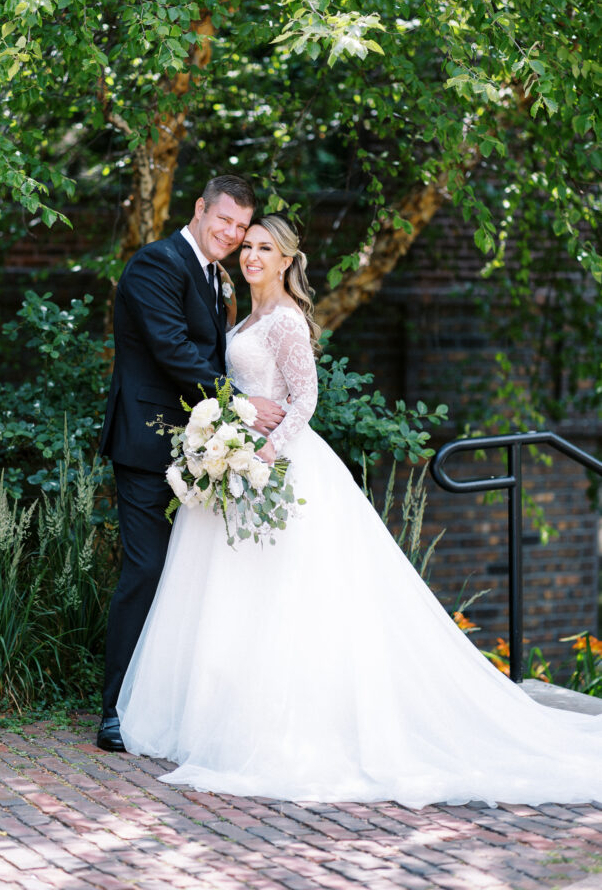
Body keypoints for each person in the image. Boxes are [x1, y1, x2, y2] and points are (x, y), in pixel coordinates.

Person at [115, 215, 602, 806]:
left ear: (288, 260)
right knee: (231, 597)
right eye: (247, 246)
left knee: (282, 597)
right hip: (238, 464)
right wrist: (233, 442)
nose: (251, 256)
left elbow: (306, 398)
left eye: (265, 248)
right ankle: (216, 715)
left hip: (278, 465)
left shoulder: (287, 321)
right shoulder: (239, 314)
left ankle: (287, 722)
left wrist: (264, 450)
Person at [97, 176, 285, 752]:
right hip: (148, 446)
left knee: (195, 577)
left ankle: (175, 702)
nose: (231, 234)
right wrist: (242, 403)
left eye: (240, 226)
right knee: (148, 570)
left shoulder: (214, 276)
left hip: (203, 452)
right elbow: (174, 350)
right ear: (200, 209)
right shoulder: (156, 264)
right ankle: (115, 710)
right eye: (223, 220)